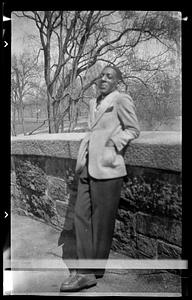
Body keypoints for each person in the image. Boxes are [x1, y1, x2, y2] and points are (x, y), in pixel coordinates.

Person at [60, 65, 140, 292]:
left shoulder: (121, 99)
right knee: (80, 216)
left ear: (117, 82)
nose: (103, 79)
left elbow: (134, 129)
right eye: (101, 76)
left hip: (108, 168)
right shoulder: (92, 102)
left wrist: (113, 144)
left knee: (103, 222)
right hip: (86, 166)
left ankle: (89, 272)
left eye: (109, 76)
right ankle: (88, 269)